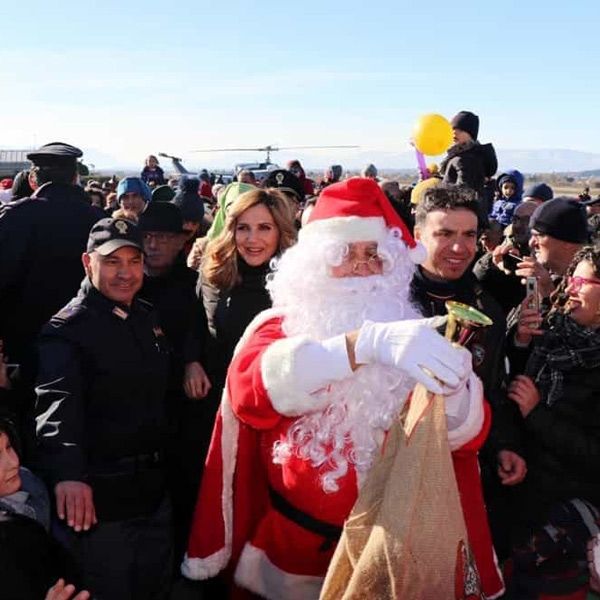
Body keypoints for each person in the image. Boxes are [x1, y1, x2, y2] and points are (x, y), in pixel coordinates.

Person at [183, 178, 504, 599]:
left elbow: (465, 440)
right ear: (314, 265)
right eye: (343, 253)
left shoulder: (412, 333)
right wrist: (362, 346)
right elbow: (253, 394)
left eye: (373, 255)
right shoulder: (278, 328)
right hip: (288, 557)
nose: (360, 265)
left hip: (386, 557)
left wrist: (457, 386)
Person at [34, 218, 173, 599]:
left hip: (154, 493)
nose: (125, 273)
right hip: (101, 503)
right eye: (112, 262)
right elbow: (57, 405)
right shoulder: (68, 330)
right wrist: (68, 474)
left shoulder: (146, 317)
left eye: (133, 260)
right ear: (87, 263)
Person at [410, 185, 525, 561]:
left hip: (458, 470)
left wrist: (504, 446)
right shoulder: (389, 299)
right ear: (418, 236)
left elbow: (490, 387)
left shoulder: (485, 306)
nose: (459, 247)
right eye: (444, 234)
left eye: (469, 235)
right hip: (391, 471)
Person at [504, 246, 600, 597]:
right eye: (570, 279)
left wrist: (537, 414)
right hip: (521, 489)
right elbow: (509, 389)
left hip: (567, 511)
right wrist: (520, 341)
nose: (570, 288)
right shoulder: (554, 327)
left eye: (582, 281)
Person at [138, 202, 212, 563]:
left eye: (163, 238)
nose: (153, 245)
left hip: (182, 408)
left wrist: (191, 361)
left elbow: (199, 329)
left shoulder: (195, 284)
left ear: (182, 241)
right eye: (147, 236)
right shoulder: (126, 281)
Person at [439, 110, 498, 222]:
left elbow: (464, 192)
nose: (454, 133)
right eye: (452, 129)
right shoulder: (461, 156)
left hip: (460, 218)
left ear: (471, 135)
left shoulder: (466, 159)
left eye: (460, 130)